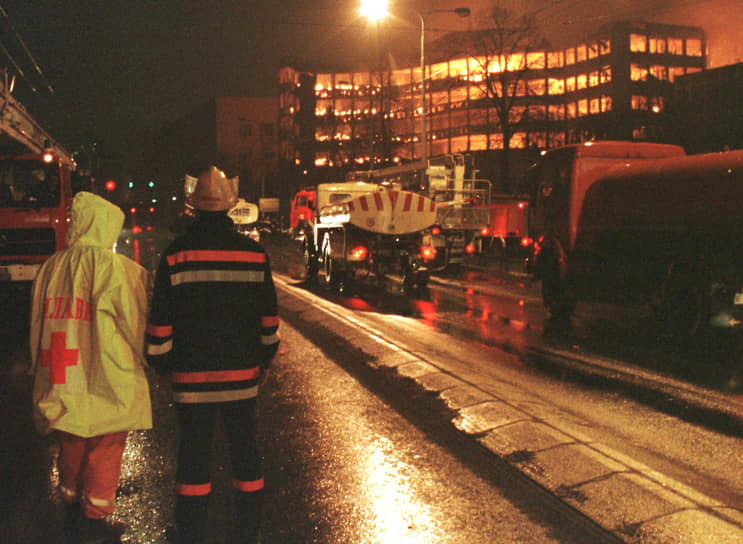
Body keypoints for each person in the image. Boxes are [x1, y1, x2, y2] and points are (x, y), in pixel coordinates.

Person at [146, 166, 279, 544]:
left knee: (193, 455)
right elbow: (269, 321)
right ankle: (249, 530)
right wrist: (264, 361)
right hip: (242, 380)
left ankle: (191, 533)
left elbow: (161, 325)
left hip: (190, 381)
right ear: (230, 207)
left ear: (193, 209)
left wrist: (161, 366)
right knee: (245, 452)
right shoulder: (255, 256)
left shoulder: (175, 256)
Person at [29, 191, 152, 543]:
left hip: (62, 370)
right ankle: (94, 520)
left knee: (72, 439)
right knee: (106, 445)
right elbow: (134, 324)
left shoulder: (51, 267)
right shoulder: (119, 270)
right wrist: (145, 360)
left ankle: (70, 502)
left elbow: (37, 321)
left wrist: (38, 365)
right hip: (107, 374)